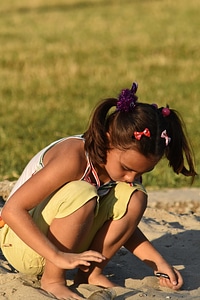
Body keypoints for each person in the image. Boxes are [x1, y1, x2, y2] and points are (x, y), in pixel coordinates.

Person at [0, 82, 197, 300]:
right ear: (108, 139)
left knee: (135, 196)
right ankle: (53, 280)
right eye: (127, 168)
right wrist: (57, 256)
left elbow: (120, 222)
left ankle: (90, 274)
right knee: (82, 193)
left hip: (67, 249)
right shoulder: (73, 158)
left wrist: (158, 262)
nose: (131, 177)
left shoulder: (123, 171)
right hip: (24, 244)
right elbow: (11, 210)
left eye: (142, 171)